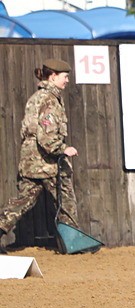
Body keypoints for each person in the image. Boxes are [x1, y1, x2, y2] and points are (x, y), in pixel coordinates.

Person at [0, 58, 78, 252]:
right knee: (66, 200)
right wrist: (62, 149)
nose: (67, 80)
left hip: (31, 162)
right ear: (52, 77)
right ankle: (73, 243)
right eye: (64, 76)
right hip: (46, 163)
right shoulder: (49, 100)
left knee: (23, 201)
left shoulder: (37, 97)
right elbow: (47, 135)